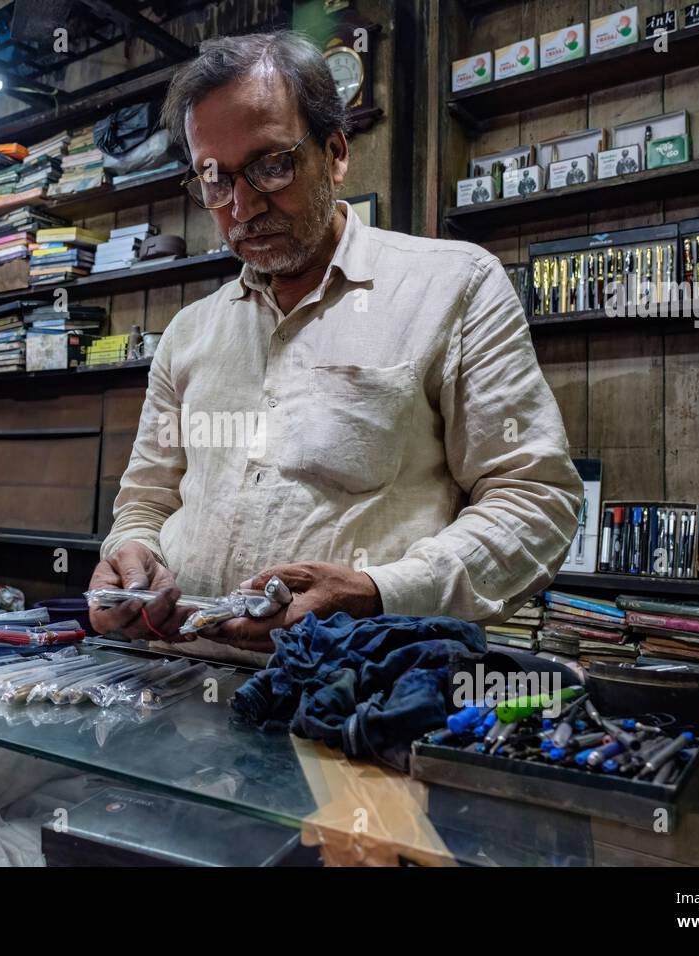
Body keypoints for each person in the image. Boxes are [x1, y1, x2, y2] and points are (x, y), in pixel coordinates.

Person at [88, 31, 582, 663]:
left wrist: (380, 593)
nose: (242, 205)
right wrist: (129, 560)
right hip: (182, 683)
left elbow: (536, 499)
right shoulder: (189, 333)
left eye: (271, 165)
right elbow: (147, 502)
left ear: (336, 153)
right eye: (214, 178)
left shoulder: (455, 286)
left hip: (361, 690)